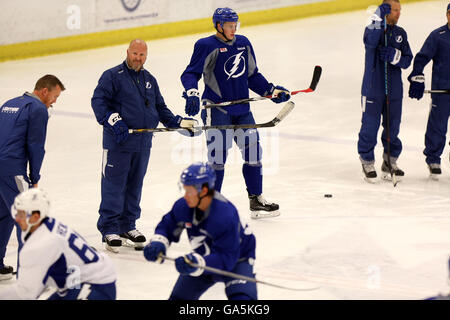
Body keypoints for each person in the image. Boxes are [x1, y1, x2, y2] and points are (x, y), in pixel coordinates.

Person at [180, 8, 290, 219]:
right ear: (219, 26)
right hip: (217, 110)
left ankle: (256, 200)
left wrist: (271, 91)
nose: (233, 29)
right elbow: (190, 73)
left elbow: (252, 75)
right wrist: (192, 93)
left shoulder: (244, 43)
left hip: (242, 110)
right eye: (229, 25)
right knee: (217, 160)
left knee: (253, 155)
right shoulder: (206, 45)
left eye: (235, 25)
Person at [91, 39, 197, 253]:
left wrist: (177, 122)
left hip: (142, 143)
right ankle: (110, 228)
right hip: (118, 144)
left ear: (146, 56)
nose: (138, 58)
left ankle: (128, 226)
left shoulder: (150, 79)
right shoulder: (112, 76)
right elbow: (99, 101)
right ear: (127, 52)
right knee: (114, 186)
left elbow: (160, 108)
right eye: (134, 54)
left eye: (142, 55)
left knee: (134, 185)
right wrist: (112, 119)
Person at [143, 162, 257, 300]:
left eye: (189, 191)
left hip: (238, 258)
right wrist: (159, 242)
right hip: (203, 256)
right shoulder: (183, 206)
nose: (185, 196)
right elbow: (168, 225)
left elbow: (227, 257)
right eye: (184, 189)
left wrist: (197, 263)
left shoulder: (225, 216)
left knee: (243, 300)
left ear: (203, 191)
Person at [0, 75, 65, 281]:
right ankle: (28, 276)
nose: (54, 101)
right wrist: (34, 176)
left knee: (3, 215)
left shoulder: (9, 104)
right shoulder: (38, 109)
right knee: (28, 219)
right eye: (54, 96)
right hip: (13, 169)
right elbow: (36, 147)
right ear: (44, 91)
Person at [0, 188, 117, 300]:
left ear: (35, 217)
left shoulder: (41, 243)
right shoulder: (49, 224)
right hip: (81, 281)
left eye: (21, 214)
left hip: (95, 287)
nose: (16, 218)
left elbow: (26, 293)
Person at [357, 0, 412, 183]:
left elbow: (407, 60)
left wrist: (396, 57)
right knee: (370, 127)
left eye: (400, 10)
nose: (398, 13)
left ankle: (390, 161)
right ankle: (367, 161)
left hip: (394, 89)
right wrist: (377, 15)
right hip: (373, 88)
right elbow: (371, 42)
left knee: (393, 127)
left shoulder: (400, 33)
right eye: (395, 10)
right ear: (386, 11)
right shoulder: (373, 29)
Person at [407, 3, 450, 180]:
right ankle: (433, 158)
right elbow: (422, 57)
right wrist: (417, 74)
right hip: (441, 91)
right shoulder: (437, 36)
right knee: (437, 126)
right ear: (447, 15)